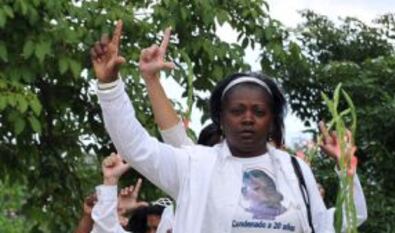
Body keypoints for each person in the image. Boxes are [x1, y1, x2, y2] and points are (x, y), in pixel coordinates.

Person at [91, 20, 367, 233]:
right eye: (237, 111)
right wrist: (110, 86)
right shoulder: (194, 165)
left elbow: (336, 225)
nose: (248, 118)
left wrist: (347, 171)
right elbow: (135, 146)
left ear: (272, 119)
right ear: (221, 118)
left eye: (259, 111)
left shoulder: (295, 170)